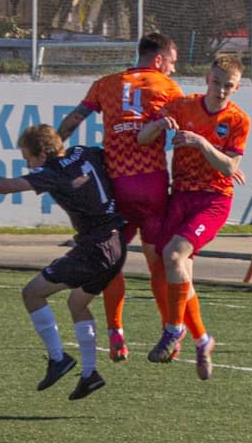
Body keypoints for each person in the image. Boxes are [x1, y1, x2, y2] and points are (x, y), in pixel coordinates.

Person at [0, 127, 125, 400]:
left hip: (94, 248)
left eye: (27, 158)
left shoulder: (52, 172)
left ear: (42, 155)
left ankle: (58, 358)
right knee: (77, 303)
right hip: (116, 243)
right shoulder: (84, 152)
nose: (27, 164)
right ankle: (90, 374)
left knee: (32, 293)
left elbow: (6, 186)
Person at [56, 32, 183, 364]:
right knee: (157, 264)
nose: (173, 68)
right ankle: (169, 331)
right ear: (158, 60)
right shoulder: (168, 88)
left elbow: (73, 120)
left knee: (113, 261)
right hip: (152, 185)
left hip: (117, 187)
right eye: (172, 61)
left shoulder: (105, 83)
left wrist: (53, 151)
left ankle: (116, 333)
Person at [137, 54, 250, 379]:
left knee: (174, 254)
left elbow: (230, 168)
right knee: (179, 270)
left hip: (213, 201)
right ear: (207, 78)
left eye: (228, 86)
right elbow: (142, 137)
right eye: (217, 83)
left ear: (237, 87)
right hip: (181, 196)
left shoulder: (239, 120)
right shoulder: (182, 106)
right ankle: (203, 340)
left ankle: (174, 330)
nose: (221, 91)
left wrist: (202, 144)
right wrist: (159, 125)